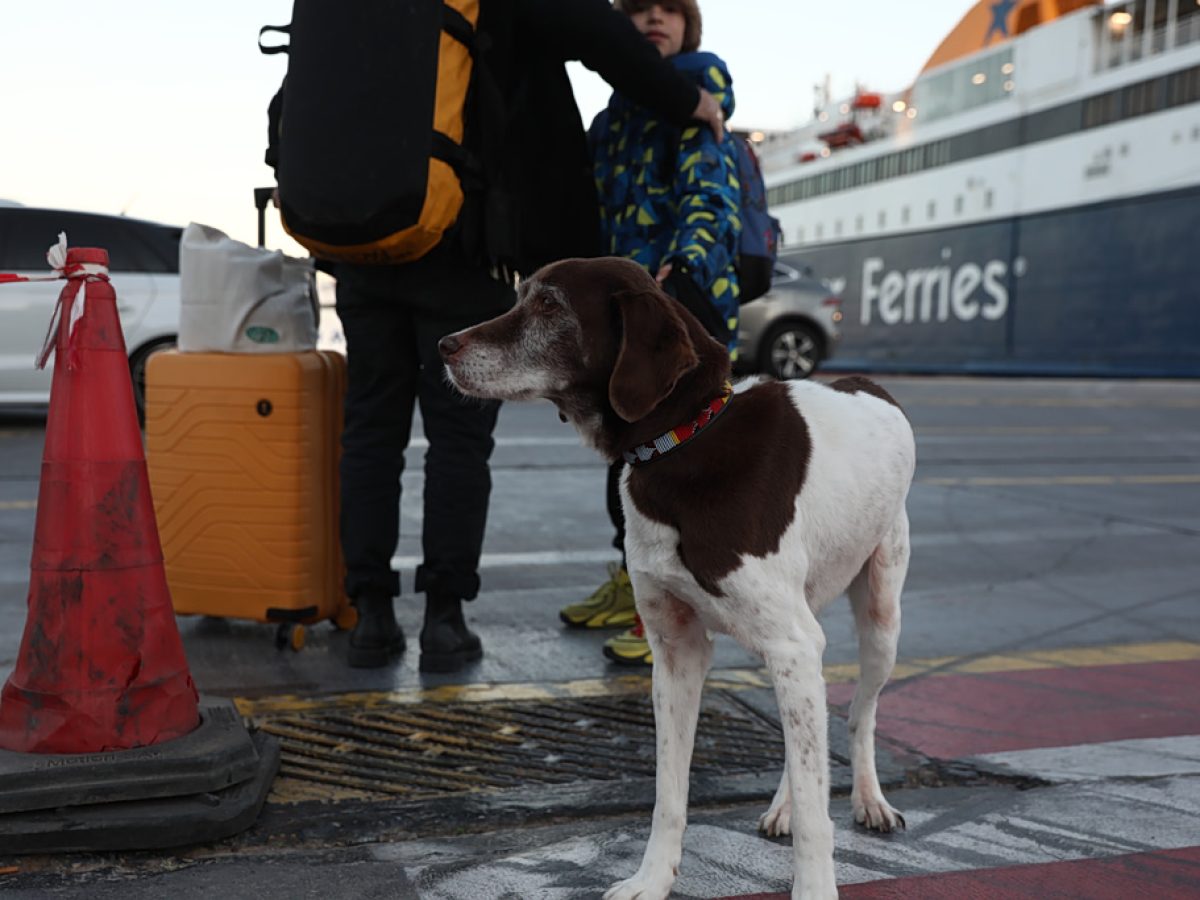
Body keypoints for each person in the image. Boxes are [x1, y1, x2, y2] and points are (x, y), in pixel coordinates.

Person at [267, 0, 728, 672]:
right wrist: (689, 100)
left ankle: (371, 616)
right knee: (457, 443)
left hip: (362, 250)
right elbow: (601, 35)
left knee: (369, 434)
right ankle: (445, 623)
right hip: (466, 244)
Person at [559, 0, 742, 667]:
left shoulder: (700, 87)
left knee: (681, 459)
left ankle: (679, 602)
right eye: (637, 10)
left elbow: (709, 192)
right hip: (626, 317)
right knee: (628, 451)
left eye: (670, 8)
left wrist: (681, 268)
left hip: (684, 304)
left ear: (690, 25)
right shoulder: (610, 121)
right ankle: (634, 581)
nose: (655, 19)